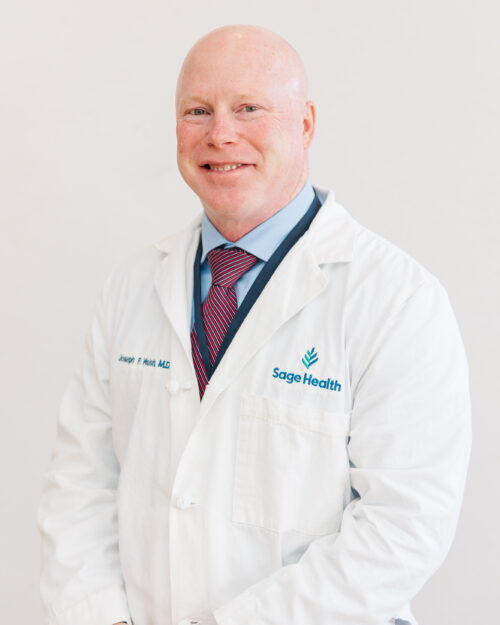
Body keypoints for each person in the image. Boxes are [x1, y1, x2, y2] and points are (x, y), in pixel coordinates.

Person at [37, 24, 471, 625]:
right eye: (198, 110)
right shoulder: (131, 288)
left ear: (306, 124)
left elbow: (402, 528)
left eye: (248, 108)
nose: (220, 133)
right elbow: (80, 484)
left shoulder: (396, 300)